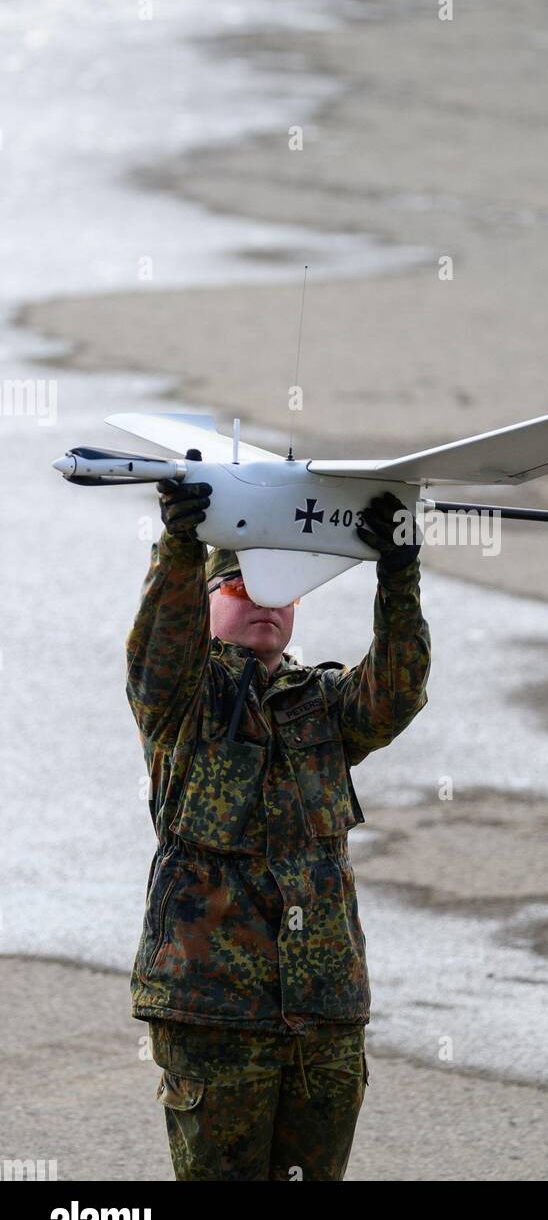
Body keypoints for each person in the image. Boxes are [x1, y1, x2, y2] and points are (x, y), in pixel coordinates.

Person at [126, 479, 431, 1180]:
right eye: (239, 590)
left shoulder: (321, 706)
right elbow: (157, 648)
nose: (263, 604)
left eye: (279, 593)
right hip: (213, 1015)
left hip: (322, 1013)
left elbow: (396, 690)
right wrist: (178, 546)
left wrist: (399, 572)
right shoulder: (181, 706)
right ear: (204, 608)